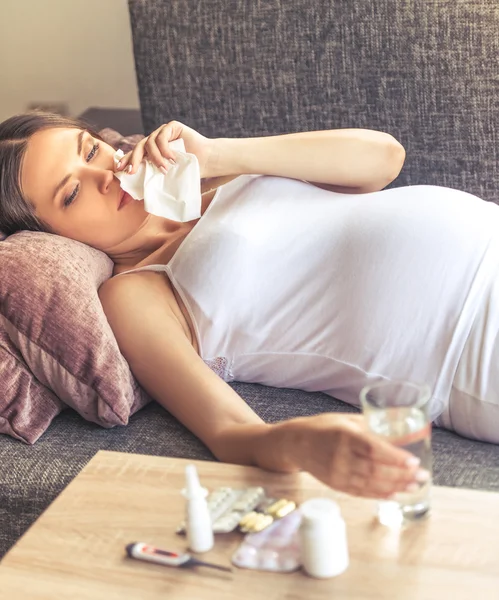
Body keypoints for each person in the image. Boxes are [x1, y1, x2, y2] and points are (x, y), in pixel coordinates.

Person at [2, 111, 498, 500]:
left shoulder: (213, 174)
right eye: (71, 193)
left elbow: (383, 158)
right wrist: (305, 442)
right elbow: (230, 432)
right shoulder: (135, 294)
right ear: (50, 239)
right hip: (469, 346)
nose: (106, 173)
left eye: (91, 149)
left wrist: (216, 155)